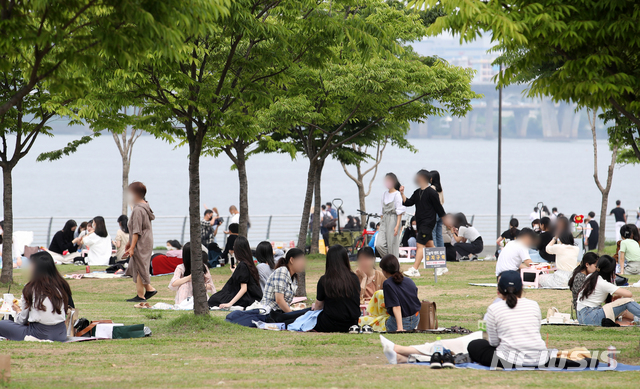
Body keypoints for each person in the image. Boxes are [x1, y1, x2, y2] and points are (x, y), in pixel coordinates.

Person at [467, 271, 554, 368]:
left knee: (475, 345)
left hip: (509, 360)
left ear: (498, 289)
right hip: (540, 358)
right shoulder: (534, 305)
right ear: (521, 288)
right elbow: (535, 330)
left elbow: (494, 342)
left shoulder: (494, 308)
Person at [0, 251, 72, 342]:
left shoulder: (30, 288)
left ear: (36, 267)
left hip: (39, 333)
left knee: (3, 324)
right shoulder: (62, 285)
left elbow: (22, 320)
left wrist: (18, 310)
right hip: (61, 333)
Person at [400, 169, 450, 277]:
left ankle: (415, 269)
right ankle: (442, 267)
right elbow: (408, 202)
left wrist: (446, 221)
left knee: (420, 245)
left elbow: (439, 208)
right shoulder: (417, 192)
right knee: (430, 245)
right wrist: (402, 193)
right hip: (420, 223)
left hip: (428, 223)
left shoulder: (432, 192)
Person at [576, 255, 640, 325]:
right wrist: (618, 295)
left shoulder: (590, 277)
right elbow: (629, 294)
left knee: (621, 306)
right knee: (628, 302)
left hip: (581, 317)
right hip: (592, 317)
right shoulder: (603, 283)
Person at [312, 245, 361, 332]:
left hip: (330, 323)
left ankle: (282, 319)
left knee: (304, 315)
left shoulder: (324, 280)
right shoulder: (354, 278)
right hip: (352, 324)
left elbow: (319, 306)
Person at [124, 182, 157, 302]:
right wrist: (129, 243)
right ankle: (148, 290)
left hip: (141, 242)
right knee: (139, 266)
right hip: (146, 240)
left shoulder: (138, 210)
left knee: (139, 267)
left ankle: (141, 295)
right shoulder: (145, 206)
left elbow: (136, 231)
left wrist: (132, 247)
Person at [208, 236, 262, 308]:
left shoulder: (243, 265)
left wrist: (229, 304)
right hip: (251, 296)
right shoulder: (249, 263)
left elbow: (244, 288)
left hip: (246, 298)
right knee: (215, 298)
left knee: (213, 300)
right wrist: (235, 271)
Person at [260, 248, 308, 325]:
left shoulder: (294, 277)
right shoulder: (282, 271)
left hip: (280, 312)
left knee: (309, 312)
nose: (303, 263)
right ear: (292, 260)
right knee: (306, 315)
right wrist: (292, 315)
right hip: (271, 313)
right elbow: (279, 300)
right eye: (301, 260)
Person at [379, 254, 421, 332]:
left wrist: (400, 328)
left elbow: (396, 306)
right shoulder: (409, 280)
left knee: (378, 322)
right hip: (416, 318)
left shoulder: (387, 283)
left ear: (384, 270)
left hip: (402, 321)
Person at [376, 173, 405, 258]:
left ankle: (393, 265)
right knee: (379, 244)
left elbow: (399, 212)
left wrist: (397, 226)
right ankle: (390, 260)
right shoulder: (384, 194)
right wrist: (381, 223)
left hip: (393, 219)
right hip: (384, 220)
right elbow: (381, 211)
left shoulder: (397, 194)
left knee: (392, 245)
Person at [429, 170, 445, 247]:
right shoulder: (440, 189)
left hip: (433, 213)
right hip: (440, 213)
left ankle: (435, 252)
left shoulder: (431, 188)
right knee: (439, 234)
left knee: (433, 234)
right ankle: (442, 254)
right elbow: (442, 201)